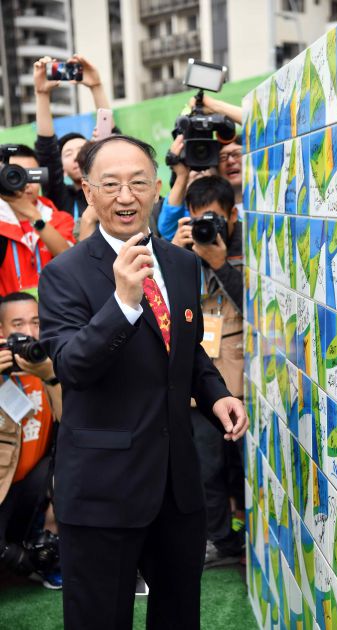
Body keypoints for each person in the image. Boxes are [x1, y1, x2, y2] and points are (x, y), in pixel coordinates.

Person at [38, 134, 249, 630]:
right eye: (110, 184)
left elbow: (187, 347)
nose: (126, 196)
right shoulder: (64, 274)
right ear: (88, 193)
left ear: (157, 188)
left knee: (178, 615)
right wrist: (123, 303)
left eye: (137, 182)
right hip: (103, 488)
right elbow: (71, 367)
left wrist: (217, 395)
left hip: (177, 485)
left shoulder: (180, 261)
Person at [172, 175, 245, 566]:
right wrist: (172, 256)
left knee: (242, 467)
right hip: (199, 381)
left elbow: (260, 308)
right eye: (199, 219)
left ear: (232, 216)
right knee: (206, 467)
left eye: (214, 219)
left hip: (244, 377)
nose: (207, 228)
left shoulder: (248, 246)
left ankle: (249, 533)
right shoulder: (176, 253)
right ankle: (220, 538)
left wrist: (221, 264)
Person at [0, 292, 62, 588]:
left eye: (36, 322)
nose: (29, 332)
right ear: (2, 331)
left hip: (35, 482)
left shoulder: (51, 362)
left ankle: (49, 547)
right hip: (3, 487)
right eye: (18, 324)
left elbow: (71, 421)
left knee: (72, 468)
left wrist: (50, 376)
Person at [33, 54, 113, 224]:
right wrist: (42, 94)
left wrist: (96, 86)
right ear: (62, 169)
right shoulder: (60, 198)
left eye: (82, 150)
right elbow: (47, 152)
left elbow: (112, 141)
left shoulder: (112, 188)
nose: (77, 156)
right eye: (68, 154)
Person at [0, 144, 75, 296]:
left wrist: (33, 216)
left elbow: (69, 259)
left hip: (54, 306)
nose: (25, 183)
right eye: (15, 175)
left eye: (30, 174)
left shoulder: (59, 219)